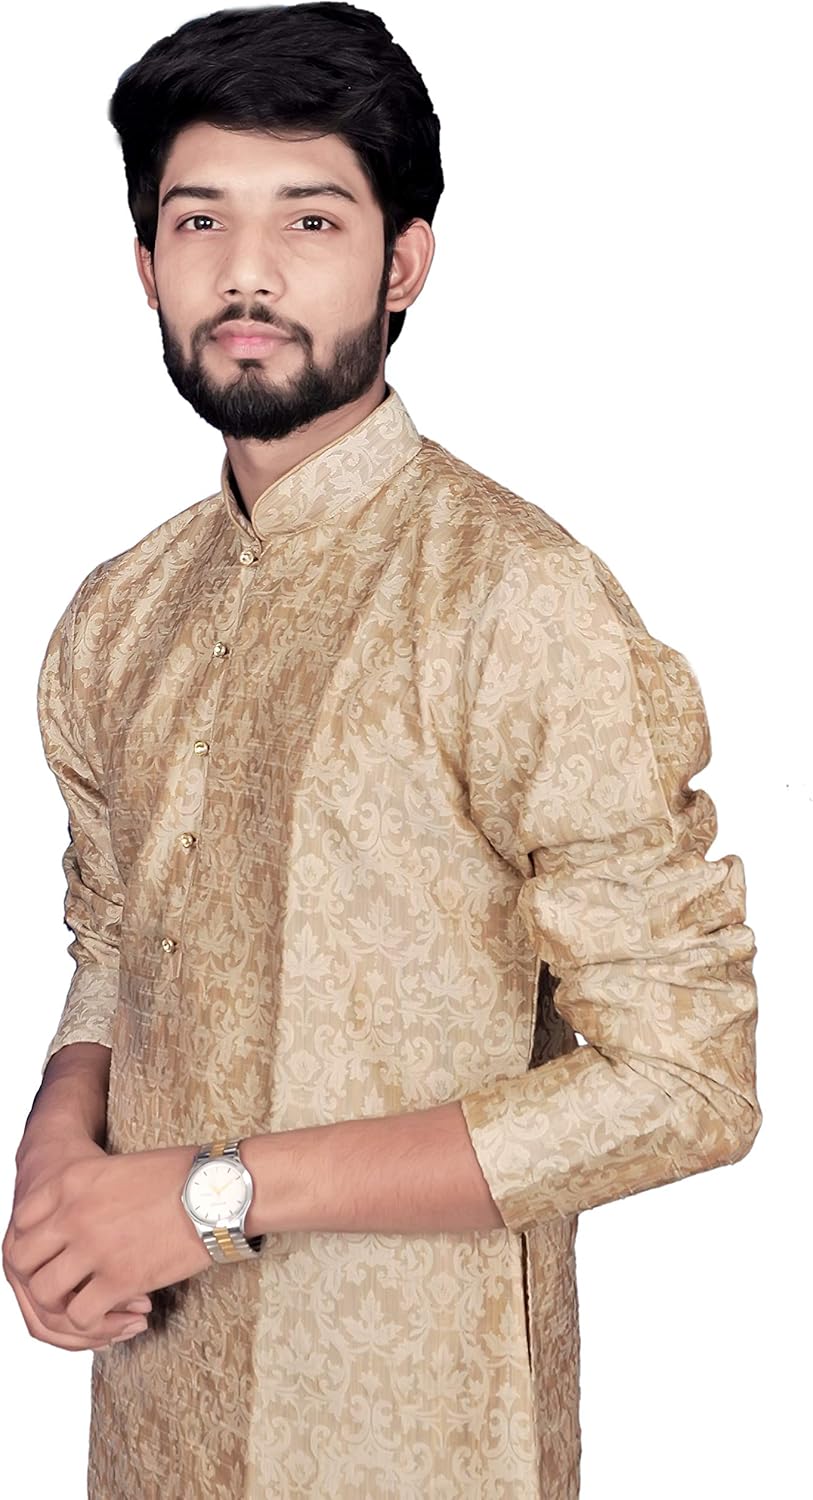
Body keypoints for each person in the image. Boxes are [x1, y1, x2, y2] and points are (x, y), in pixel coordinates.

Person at [3, 4, 763, 1496]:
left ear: (402, 262)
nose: (248, 273)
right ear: (146, 264)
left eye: (312, 220)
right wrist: (56, 1163)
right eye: (200, 219)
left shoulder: (513, 600)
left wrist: (211, 1197)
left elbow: (686, 1080)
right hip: (153, 1426)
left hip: (422, 1441)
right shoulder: (118, 616)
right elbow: (114, 940)